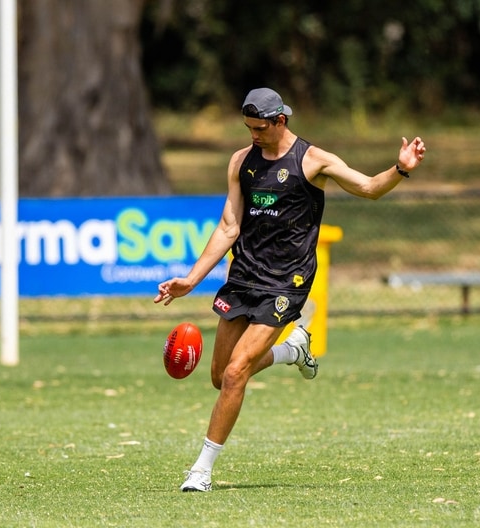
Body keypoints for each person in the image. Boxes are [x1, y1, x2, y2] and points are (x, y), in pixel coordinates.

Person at [154, 87, 426, 492]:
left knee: (235, 374)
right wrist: (191, 280)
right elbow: (229, 226)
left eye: (259, 128)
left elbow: (369, 187)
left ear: (281, 121)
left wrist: (400, 169)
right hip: (244, 275)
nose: (253, 136)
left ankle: (201, 470)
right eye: (248, 128)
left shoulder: (313, 160)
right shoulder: (241, 162)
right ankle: (292, 350)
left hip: (287, 281)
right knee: (219, 375)